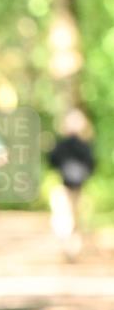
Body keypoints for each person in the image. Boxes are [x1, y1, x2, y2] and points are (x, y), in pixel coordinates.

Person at [48, 108, 95, 259]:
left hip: (78, 188)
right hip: (66, 187)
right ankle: (69, 247)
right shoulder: (69, 145)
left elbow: (90, 164)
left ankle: (73, 248)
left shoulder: (83, 145)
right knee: (66, 217)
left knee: (74, 217)